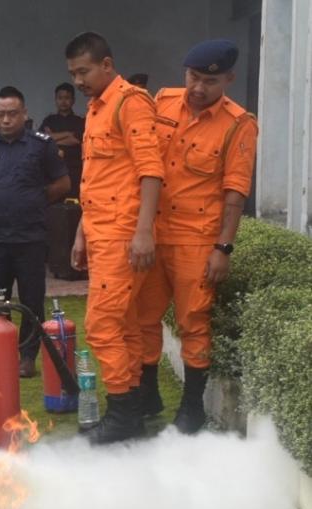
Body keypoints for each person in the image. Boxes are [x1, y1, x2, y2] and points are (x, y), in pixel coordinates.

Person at [137, 40, 258, 434]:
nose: (198, 88)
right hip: (154, 234)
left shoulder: (239, 124)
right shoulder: (163, 102)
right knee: (143, 317)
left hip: (196, 239)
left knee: (193, 323)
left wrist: (223, 248)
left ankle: (191, 409)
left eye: (209, 80)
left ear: (228, 79)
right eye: (192, 77)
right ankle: (147, 393)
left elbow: (235, 192)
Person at [65, 31, 165, 444]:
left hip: (124, 236)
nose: (77, 80)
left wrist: (143, 233)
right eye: (72, 73)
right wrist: (80, 233)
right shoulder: (95, 108)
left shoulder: (130, 102)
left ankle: (122, 411)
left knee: (102, 326)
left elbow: (151, 171)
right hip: (101, 230)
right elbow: (95, 180)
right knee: (125, 324)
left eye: (83, 71)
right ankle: (139, 405)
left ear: (107, 64)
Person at [0, 87, 70, 377]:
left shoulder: (40, 145)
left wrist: (33, 199)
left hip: (30, 239)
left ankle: (27, 355)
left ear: (24, 114)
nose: (6, 120)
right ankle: (3, 352)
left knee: (32, 301)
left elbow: (63, 183)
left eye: (12, 114)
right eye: (0, 114)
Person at [39, 83, 85, 198]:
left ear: (73, 100)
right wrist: (68, 134)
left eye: (67, 98)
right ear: (55, 100)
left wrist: (52, 137)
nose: (63, 101)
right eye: (60, 98)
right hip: (52, 171)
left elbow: (75, 140)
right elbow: (42, 140)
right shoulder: (49, 120)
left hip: (74, 170)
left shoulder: (80, 121)